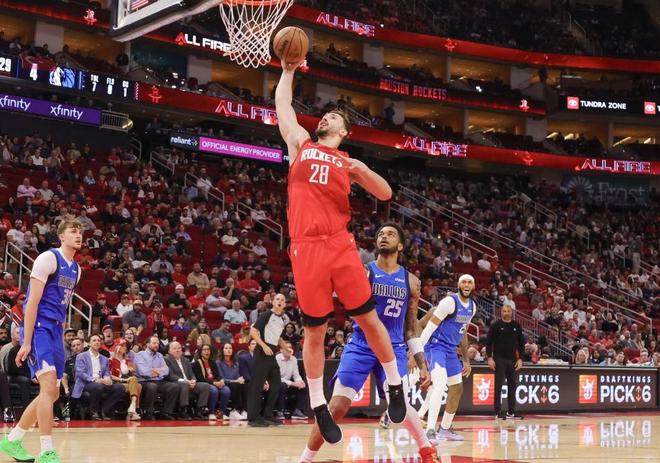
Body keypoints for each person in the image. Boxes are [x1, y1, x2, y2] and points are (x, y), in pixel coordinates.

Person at [275, 57, 405, 445]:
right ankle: (319, 405)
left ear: (344, 131)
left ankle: (395, 385)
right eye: (325, 115)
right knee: (315, 329)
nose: (325, 117)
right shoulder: (300, 144)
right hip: (305, 248)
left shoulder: (347, 162)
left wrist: (360, 169)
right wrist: (287, 71)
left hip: (339, 244)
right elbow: (283, 105)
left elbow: (385, 193)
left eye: (332, 117)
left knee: (368, 318)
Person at [299, 223, 436, 463]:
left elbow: (411, 327)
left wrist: (422, 362)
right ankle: (305, 460)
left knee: (400, 406)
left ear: (400, 245)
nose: (384, 236)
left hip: (394, 347)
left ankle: (426, 449)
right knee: (336, 407)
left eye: (390, 234)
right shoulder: (363, 272)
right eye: (381, 233)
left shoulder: (411, 281)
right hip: (361, 345)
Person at [1, 218, 83, 463]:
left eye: (80, 231)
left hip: (55, 330)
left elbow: (62, 303)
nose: (78, 235)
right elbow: (32, 303)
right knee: (47, 388)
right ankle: (47, 450)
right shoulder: (48, 258)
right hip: (38, 328)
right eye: (73, 231)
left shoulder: (77, 269)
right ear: (62, 236)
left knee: (53, 393)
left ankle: (13, 440)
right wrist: (26, 342)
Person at [419, 274, 476, 443]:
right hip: (435, 347)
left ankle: (444, 428)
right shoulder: (449, 302)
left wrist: (466, 359)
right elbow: (429, 327)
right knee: (440, 383)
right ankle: (430, 430)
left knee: (457, 388)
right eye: (463, 282)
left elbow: (463, 332)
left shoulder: (472, 307)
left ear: (473, 286)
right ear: (459, 285)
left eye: (470, 282)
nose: (466, 284)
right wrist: (418, 352)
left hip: (451, 350)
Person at [247, 293, 288, 427]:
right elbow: (253, 331)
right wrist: (263, 345)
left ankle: (268, 415)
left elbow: (278, 338)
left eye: (282, 299)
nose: (280, 301)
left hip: (271, 354)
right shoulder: (267, 315)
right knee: (257, 386)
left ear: (285, 304)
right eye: (277, 299)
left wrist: (286, 348)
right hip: (262, 352)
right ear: (273, 302)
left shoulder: (282, 320)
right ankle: (253, 418)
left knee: (276, 384)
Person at [72, 334, 126, 420]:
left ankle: (104, 409)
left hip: (101, 382)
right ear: (89, 343)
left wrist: (107, 379)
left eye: (98, 340)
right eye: (94, 340)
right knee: (98, 387)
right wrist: (95, 379)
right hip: (86, 382)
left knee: (120, 387)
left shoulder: (104, 358)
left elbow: (107, 373)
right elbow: (80, 373)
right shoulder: (81, 356)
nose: (97, 342)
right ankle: (93, 411)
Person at [485, 303, 525, 420]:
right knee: (498, 385)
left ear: (511, 312)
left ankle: (511, 412)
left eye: (508, 311)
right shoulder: (496, 325)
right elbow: (488, 342)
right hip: (499, 359)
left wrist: (520, 359)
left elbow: (521, 344)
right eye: (504, 311)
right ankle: (497, 412)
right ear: (501, 312)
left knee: (512, 385)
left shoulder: (516, 325)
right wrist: (489, 357)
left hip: (512, 359)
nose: (506, 313)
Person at [134, 336, 179, 420]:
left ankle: (166, 412)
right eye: (154, 343)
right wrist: (158, 371)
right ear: (147, 344)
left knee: (174, 386)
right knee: (152, 386)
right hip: (144, 381)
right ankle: (148, 413)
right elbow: (143, 372)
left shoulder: (159, 355)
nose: (157, 345)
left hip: (158, 381)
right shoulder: (140, 355)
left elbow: (166, 370)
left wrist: (156, 371)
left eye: (158, 343)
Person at [165, 341, 211, 420]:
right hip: (176, 383)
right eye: (174, 348)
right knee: (184, 384)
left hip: (189, 383)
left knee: (205, 386)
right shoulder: (166, 360)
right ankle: (183, 411)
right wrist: (185, 381)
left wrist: (193, 380)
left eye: (179, 348)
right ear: (169, 351)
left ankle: (199, 411)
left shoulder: (185, 360)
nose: (178, 350)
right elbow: (171, 376)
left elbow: (191, 374)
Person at [191, 344, 230, 421]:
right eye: (204, 350)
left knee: (226, 390)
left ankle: (222, 412)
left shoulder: (213, 362)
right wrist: (214, 383)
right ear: (200, 352)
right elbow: (200, 379)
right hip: (205, 383)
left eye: (208, 350)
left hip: (215, 382)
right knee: (214, 390)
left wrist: (221, 380)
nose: (207, 351)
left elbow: (217, 375)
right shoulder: (196, 364)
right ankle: (211, 412)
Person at [109, 339, 142, 420]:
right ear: (117, 347)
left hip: (129, 381)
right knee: (138, 386)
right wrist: (123, 380)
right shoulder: (111, 360)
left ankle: (132, 408)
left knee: (137, 383)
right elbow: (110, 375)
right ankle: (134, 409)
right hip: (117, 382)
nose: (125, 348)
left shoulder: (128, 360)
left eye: (125, 346)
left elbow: (133, 374)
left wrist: (132, 370)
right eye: (122, 346)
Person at [275, 341, 307, 419]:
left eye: (290, 347)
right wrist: (292, 383)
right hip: (277, 383)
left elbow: (296, 375)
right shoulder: (277, 358)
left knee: (304, 386)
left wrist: (300, 381)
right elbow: (276, 377)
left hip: (288, 383)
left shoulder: (294, 359)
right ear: (281, 350)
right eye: (286, 348)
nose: (289, 349)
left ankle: (297, 411)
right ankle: (279, 411)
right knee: (283, 385)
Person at [216, 343, 248, 420]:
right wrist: (235, 381)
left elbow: (237, 376)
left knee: (245, 386)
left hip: (234, 383)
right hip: (224, 383)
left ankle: (243, 410)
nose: (228, 350)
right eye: (226, 348)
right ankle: (233, 411)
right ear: (222, 350)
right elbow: (221, 378)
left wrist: (241, 379)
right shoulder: (218, 362)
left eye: (230, 348)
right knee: (236, 386)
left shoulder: (235, 363)